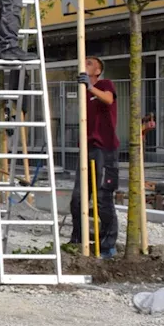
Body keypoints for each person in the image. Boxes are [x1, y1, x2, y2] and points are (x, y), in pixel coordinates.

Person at [68, 56, 119, 257]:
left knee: (103, 197)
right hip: (86, 148)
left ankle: (108, 244)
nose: (84, 64)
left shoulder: (104, 84)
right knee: (78, 199)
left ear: (98, 71)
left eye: (89, 63)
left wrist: (90, 87)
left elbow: (108, 99)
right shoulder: (84, 90)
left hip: (105, 149)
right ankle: (78, 239)